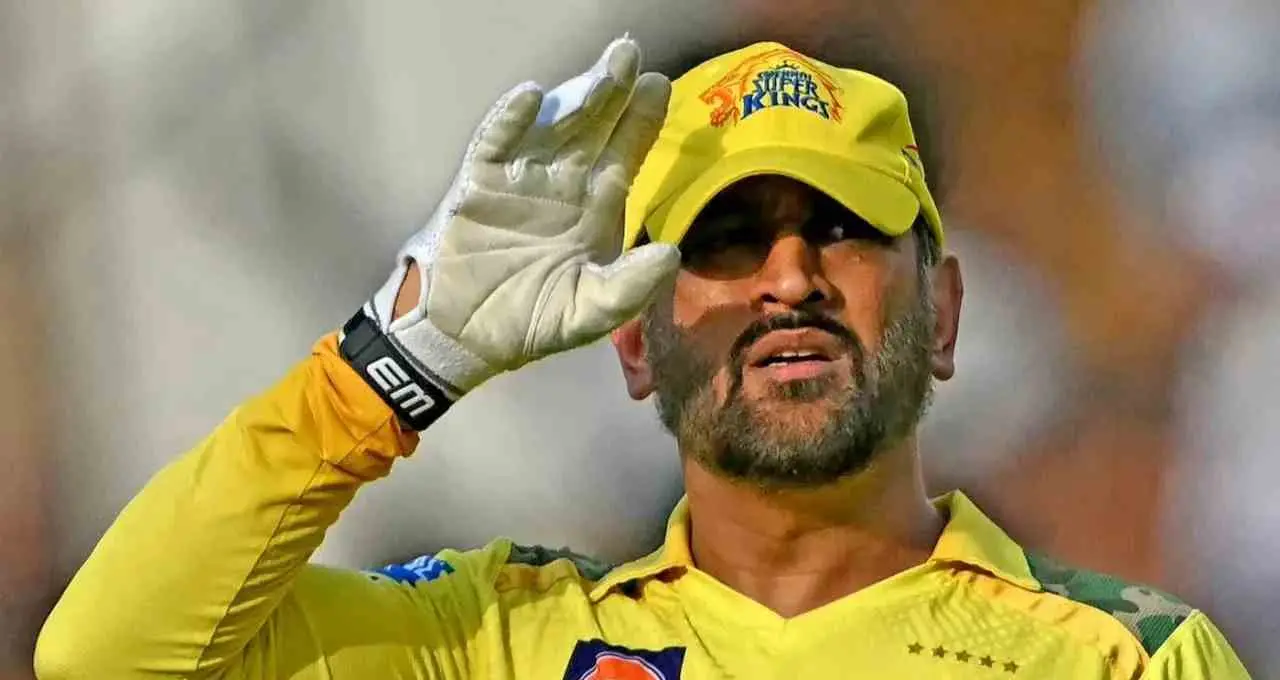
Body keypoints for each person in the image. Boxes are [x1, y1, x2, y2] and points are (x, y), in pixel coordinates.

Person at [34, 38, 1250, 680]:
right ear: (631, 341)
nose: (787, 277)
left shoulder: (1123, 656)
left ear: (941, 315)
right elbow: (108, 656)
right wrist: (396, 358)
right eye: (725, 238)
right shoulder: (497, 638)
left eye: (840, 227)